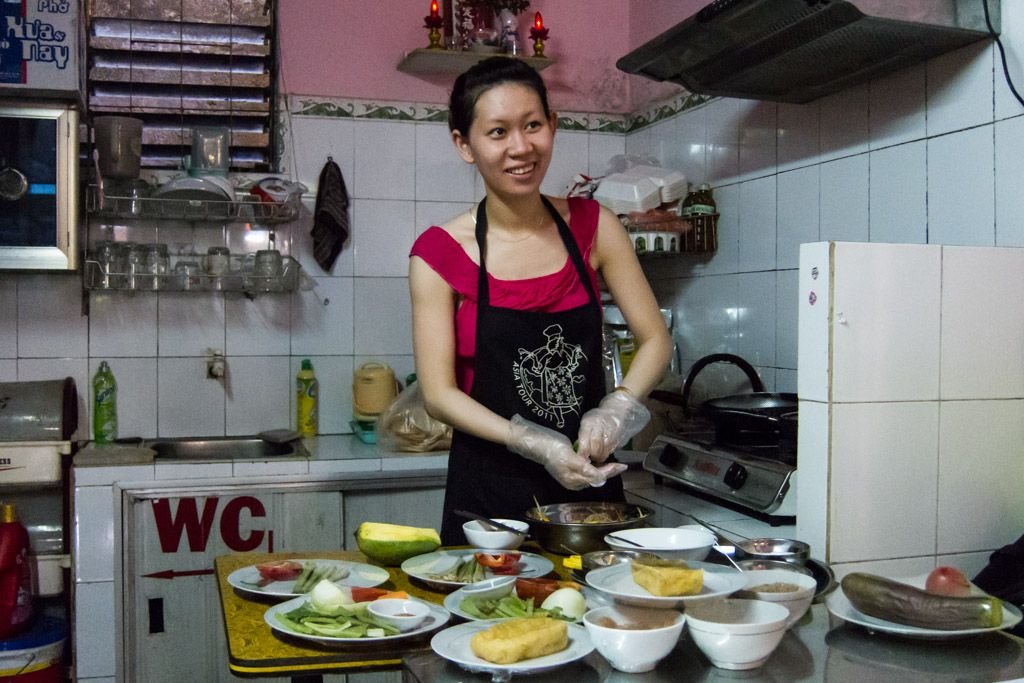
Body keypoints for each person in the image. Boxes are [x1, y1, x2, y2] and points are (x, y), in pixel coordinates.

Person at [409, 57, 673, 545]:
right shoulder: (438, 254)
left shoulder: (596, 227)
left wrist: (617, 406)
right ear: (463, 144)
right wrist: (528, 439)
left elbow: (655, 338)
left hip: (589, 493)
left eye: (533, 125)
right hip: (488, 500)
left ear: (553, 125)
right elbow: (438, 394)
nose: (521, 147)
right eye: (497, 132)